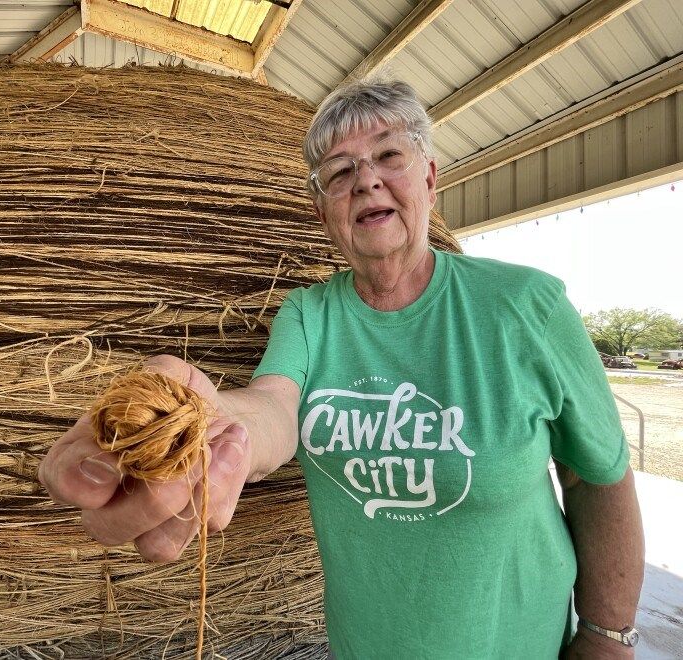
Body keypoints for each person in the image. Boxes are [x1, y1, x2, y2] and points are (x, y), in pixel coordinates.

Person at [39, 79, 644, 659]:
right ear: (323, 209)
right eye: (339, 172)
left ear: (430, 179)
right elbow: (275, 405)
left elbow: (597, 476)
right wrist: (213, 422)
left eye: (389, 156)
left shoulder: (526, 307)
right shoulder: (309, 314)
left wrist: (605, 635)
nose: (367, 181)